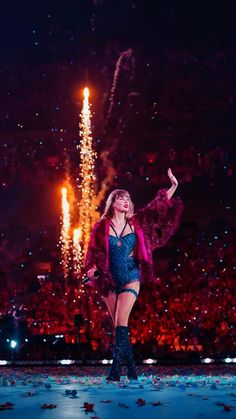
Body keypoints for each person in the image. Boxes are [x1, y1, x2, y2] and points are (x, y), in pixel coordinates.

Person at [84, 168, 184, 381]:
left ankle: (114, 371)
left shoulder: (137, 221)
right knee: (119, 325)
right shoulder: (101, 226)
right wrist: (92, 270)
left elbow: (157, 206)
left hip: (131, 276)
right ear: (113, 202)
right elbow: (93, 253)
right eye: (121, 198)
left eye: (128, 198)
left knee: (121, 322)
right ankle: (131, 368)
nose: (126, 201)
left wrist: (173, 186)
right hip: (108, 279)